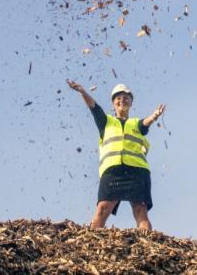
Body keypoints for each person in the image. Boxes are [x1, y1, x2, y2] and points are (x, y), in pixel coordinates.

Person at [67, 80, 165, 230]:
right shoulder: (106, 122)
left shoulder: (135, 124)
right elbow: (94, 107)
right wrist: (82, 91)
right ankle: (93, 242)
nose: (122, 100)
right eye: (118, 98)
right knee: (102, 208)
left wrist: (154, 116)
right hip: (112, 171)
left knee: (140, 209)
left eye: (126, 97)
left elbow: (145, 123)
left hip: (137, 171)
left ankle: (147, 244)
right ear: (113, 104)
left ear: (131, 103)